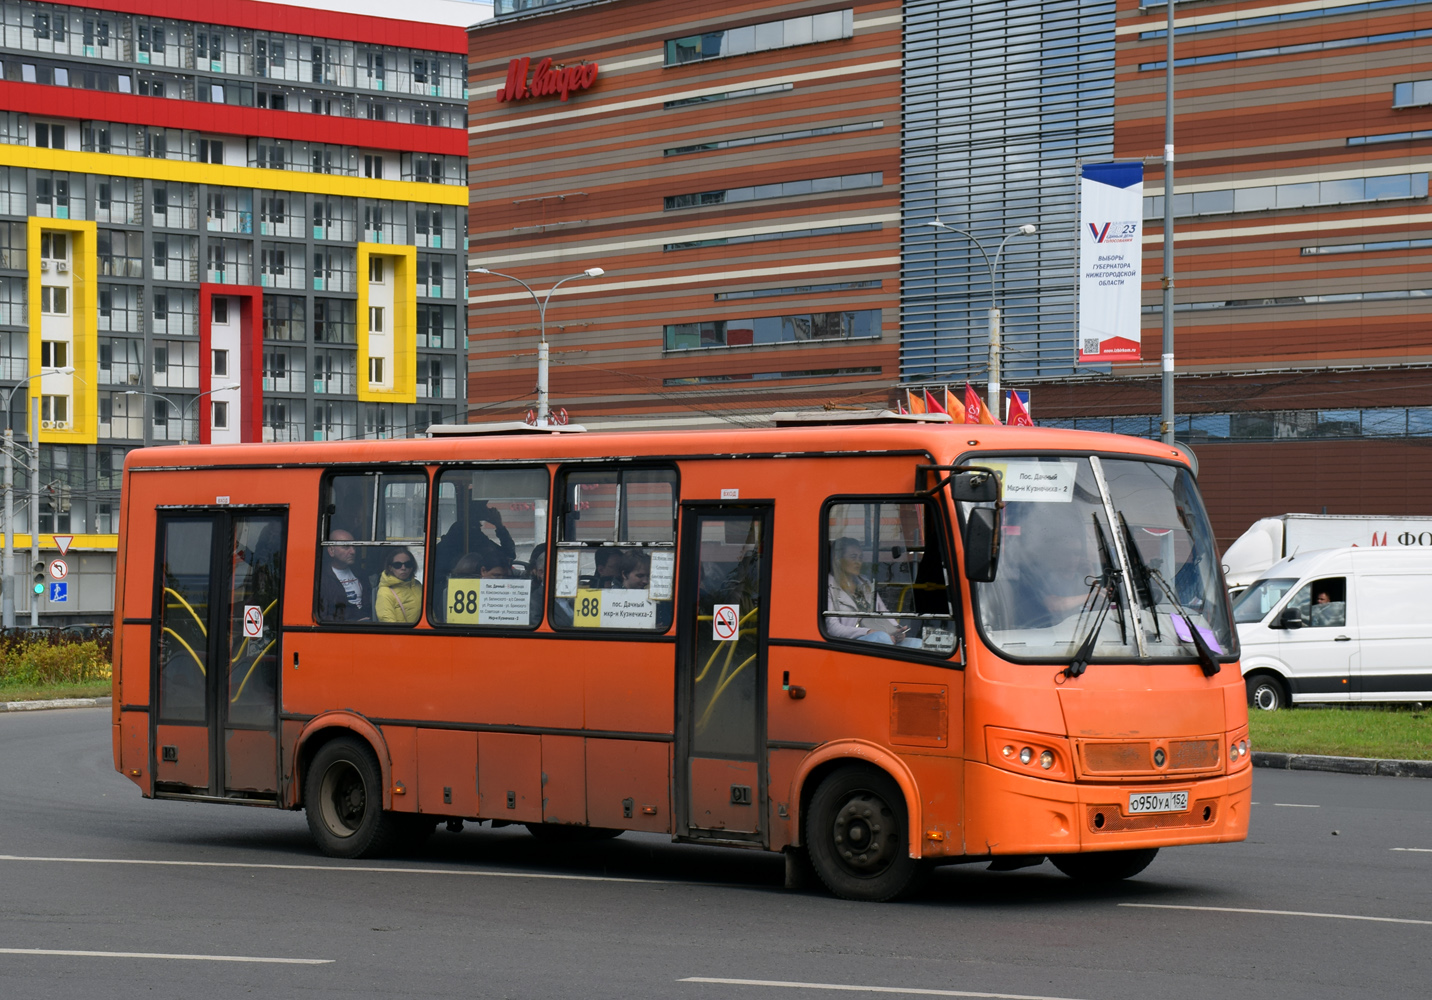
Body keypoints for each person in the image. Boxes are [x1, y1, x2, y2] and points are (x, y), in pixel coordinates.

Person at [826, 537, 921, 647]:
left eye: (860, 558)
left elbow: (883, 612)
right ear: (838, 559)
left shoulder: (865, 583)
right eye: (853, 557)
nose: (858, 562)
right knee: (882, 638)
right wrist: (867, 632)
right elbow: (832, 628)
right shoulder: (829, 586)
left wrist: (897, 630)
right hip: (852, 641)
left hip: (880, 635)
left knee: (918, 644)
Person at [318, 527, 368, 621]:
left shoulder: (361, 574)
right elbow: (323, 614)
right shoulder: (322, 578)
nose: (353, 552)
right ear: (331, 551)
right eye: (346, 547)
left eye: (354, 546)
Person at [375, 547, 422, 624]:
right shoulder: (385, 592)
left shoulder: (417, 585)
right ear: (390, 568)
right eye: (397, 565)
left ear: (412, 567)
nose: (403, 568)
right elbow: (387, 621)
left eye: (408, 564)